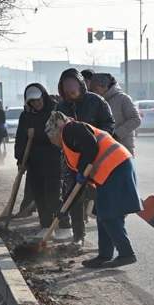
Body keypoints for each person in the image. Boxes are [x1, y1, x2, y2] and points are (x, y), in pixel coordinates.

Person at [46, 111, 141, 268]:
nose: (52, 142)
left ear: (55, 131)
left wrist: (82, 170)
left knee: (109, 215)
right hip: (111, 171)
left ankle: (126, 254)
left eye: (51, 138)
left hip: (116, 167)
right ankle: (104, 255)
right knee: (102, 214)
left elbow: (91, 146)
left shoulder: (70, 129)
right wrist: (64, 209)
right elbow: (77, 186)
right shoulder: (69, 145)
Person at [56, 68, 114, 246]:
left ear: (80, 85)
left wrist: (96, 141)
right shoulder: (61, 107)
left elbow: (109, 123)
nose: (70, 90)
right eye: (66, 87)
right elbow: (57, 130)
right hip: (72, 159)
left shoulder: (95, 101)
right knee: (74, 197)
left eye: (73, 85)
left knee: (101, 199)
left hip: (97, 157)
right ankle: (78, 236)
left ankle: (108, 240)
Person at [15, 83, 65, 239]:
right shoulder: (26, 116)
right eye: (32, 102)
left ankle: (64, 226)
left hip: (54, 160)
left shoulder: (55, 112)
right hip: (34, 162)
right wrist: (20, 159)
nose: (37, 104)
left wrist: (37, 134)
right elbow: (20, 139)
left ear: (43, 96)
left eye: (38, 100)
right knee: (39, 196)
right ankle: (45, 225)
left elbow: (59, 135)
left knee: (53, 195)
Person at [90, 73, 141, 155]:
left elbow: (136, 119)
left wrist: (116, 134)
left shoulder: (123, 99)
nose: (95, 92)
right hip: (103, 148)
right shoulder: (96, 101)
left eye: (96, 89)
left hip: (123, 148)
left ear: (105, 86)